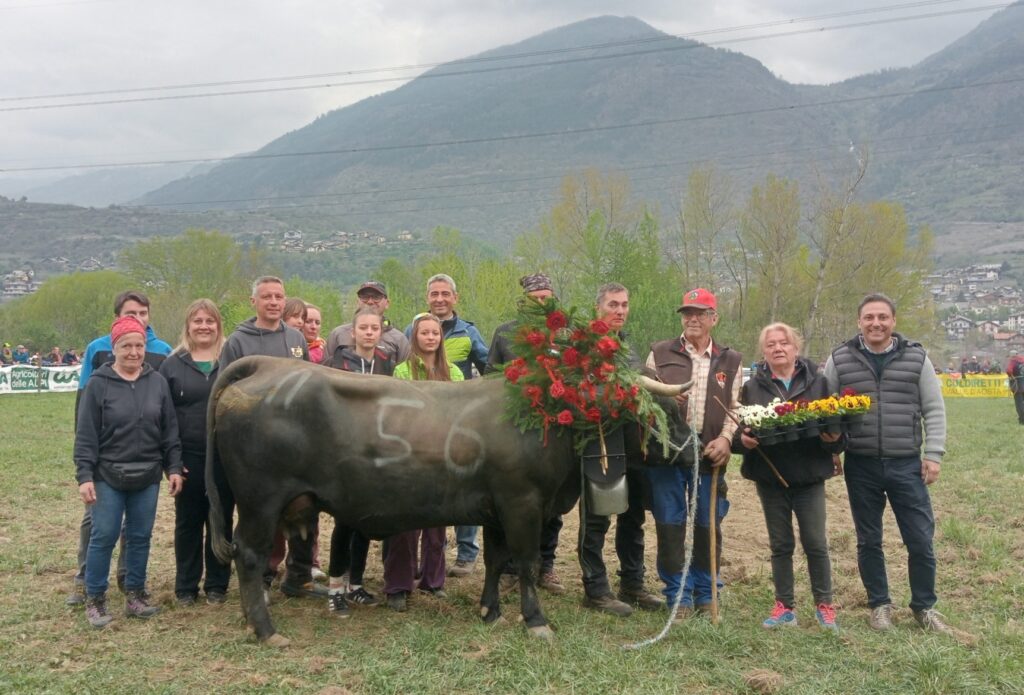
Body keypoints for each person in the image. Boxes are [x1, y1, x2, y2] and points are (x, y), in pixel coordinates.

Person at [823, 292, 953, 634]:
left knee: (920, 539)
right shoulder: (839, 359)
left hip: (906, 463)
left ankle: (924, 607)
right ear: (859, 322)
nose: (876, 323)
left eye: (882, 317)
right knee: (869, 540)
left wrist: (933, 454)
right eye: (869, 318)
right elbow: (827, 410)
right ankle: (879, 605)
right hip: (861, 465)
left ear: (893, 322)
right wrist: (832, 449)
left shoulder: (916, 358)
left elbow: (934, 409)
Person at [74, 315, 184, 628]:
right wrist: (84, 476)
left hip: (147, 475)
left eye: (138, 345)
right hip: (107, 474)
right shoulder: (98, 384)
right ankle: (95, 598)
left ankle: (135, 595)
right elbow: (86, 436)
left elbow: (169, 431)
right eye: (126, 346)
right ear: (114, 348)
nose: (134, 352)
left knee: (140, 537)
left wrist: (173, 467)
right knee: (104, 536)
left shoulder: (157, 382)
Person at [220, 276, 323, 600]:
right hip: (255, 445)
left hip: (296, 441)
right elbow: (226, 394)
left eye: (279, 296)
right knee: (264, 513)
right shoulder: (238, 342)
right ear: (254, 302)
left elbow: (309, 385)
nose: (274, 302)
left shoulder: (295, 338)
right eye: (267, 297)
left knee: (305, 509)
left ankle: (300, 576)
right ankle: (262, 578)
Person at [738, 323, 843, 630]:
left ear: (796, 348)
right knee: (780, 544)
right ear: (764, 352)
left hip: (809, 476)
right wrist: (742, 441)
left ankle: (824, 605)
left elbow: (837, 435)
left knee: (815, 543)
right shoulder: (751, 388)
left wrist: (833, 438)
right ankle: (784, 607)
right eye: (771, 344)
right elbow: (740, 432)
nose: (778, 348)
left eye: (784, 343)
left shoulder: (819, 384)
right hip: (771, 478)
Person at [646, 287, 741, 618]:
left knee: (706, 521)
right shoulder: (658, 353)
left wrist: (727, 439)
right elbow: (646, 402)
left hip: (710, 450)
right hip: (669, 452)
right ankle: (678, 594)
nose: (693, 319)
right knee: (670, 523)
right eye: (687, 313)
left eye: (700, 313)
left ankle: (706, 590)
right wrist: (666, 402)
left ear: (714, 318)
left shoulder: (731, 360)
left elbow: (736, 407)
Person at [578, 282, 664, 617]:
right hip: (598, 443)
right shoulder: (584, 346)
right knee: (597, 516)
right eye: (613, 304)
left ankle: (633, 583)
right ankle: (595, 589)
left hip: (632, 445)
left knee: (633, 516)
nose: (620, 311)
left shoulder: (627, 348)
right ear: (599, 307)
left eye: (625, 305)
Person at [486, 273, 564, 595]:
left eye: (547, 297)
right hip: (512, 428)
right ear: (525, 301)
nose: (542, 303)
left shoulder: (565, 333)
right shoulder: (505, 333)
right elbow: (490, 375)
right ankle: (507, 570)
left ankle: (545, 565)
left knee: (551, 505)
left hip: (556, 429)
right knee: (509, 502)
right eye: (536, 298)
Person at [409, 273, 488, 578]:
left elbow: (486, 367)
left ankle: (466, 554)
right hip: (421, 430)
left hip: (460, 426)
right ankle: (429, 559)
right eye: (434, 294)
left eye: (445, 293)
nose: (439, 299)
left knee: (465, 489)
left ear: (455, 297)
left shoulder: (469, 332)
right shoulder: (414, 329)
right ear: (427, 297)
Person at [384, 312, 462, 611]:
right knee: (404, 525)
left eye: (435, 333)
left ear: (441, 338)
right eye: (424, 333)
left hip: (442, 456)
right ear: (414, 337)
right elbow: (397, 414)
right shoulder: (402, 371)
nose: (430, 337)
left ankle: (433, 581)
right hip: (409, 455)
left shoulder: (453, 372)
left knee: (437, 525)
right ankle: (398, 586)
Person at [322, 307, 395, 616]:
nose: (368, 332)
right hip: (342, 452)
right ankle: (335, 587)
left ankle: (356, 584)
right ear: (352, 332)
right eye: (363, 327)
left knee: (365, 519)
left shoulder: (386, 363)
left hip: (375, 453)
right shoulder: (335, 363)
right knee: (345, 520)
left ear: (380, 332)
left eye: (373, 328)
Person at [159, 299, 231, 607]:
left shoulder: (231, 361)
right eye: (198, 321)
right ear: (188, 325)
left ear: (218, 325)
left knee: (222, 519)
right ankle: (186, 586)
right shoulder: (172, 364)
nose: (204, 326)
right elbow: (164, 418)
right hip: (187, 457)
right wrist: (172, 463)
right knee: (188, 523)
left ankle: (217, 584)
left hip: (225, 459)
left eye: (210, 321)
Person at [323, 281, 410, 366]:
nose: (370, 302)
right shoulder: (338, 334)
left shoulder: (398, 339)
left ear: (387, 303)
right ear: (358, 302)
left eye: (376, 297)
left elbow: (404, 374)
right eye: (364, 297)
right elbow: (325, 370)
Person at [1006, 349, 1024, 425]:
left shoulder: (1013, 361)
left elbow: (1009, 371)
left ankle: (1022, 420)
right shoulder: (1023, 360)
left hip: (1018, 385)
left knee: (1019, 403)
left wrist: (1011, 376)